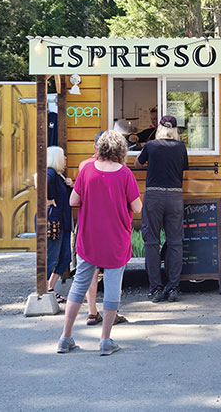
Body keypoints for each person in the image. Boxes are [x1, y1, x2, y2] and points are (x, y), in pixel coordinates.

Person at [57, 130, 142, 356]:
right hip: (115, 239)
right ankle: (105, 340)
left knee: (79, 285)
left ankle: (65, 337)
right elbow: (137, 208)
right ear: (120, 149)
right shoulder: (125, 174)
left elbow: (73, 200)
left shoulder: (86, 171)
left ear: (99, 148)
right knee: (113, 287)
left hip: (89, 238)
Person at [135, 115, 188, 303]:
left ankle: (156, 289)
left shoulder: (151, 146)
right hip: (174, 196)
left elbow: (137, 163)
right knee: (175, 243)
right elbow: (183, 168)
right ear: (174, 130)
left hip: (154, 196)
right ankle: (173, 288)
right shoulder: (181, 147)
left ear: (159, 129)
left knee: (152, 242)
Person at [77, 130, 127, 327]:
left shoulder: (84, 166)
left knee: (90, 271)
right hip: (113, 227)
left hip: (88, 226)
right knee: (113, 273)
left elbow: (76, 198)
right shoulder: (120, 168)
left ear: (95, 146)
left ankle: (91, 312)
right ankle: (111, 317)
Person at [45, 146, 73, 304]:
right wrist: (48, 199)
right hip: (54, 221)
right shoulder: (50, 173)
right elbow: (43, 182)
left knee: (65, 258)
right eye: (63, 156)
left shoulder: (58, 175)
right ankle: (44, 290)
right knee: (52, 257)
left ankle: (49, 287)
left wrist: (69, 185)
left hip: (62, 222)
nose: (66, 158)